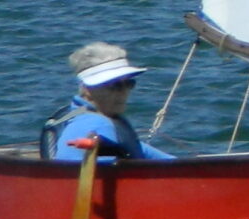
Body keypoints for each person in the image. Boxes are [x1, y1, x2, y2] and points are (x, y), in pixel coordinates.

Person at [47, 44, 177, 162]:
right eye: (114, 85)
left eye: (128, 83)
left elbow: (138, 149)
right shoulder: (99, 125)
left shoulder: (79, 113)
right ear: (87, 90)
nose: (123, 92)